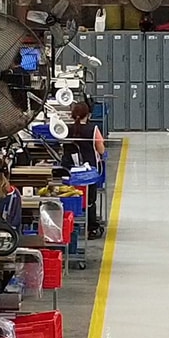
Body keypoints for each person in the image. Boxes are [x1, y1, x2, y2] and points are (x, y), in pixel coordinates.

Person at [68, 102, 106, 238]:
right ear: (88, 115)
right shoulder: (93, 129)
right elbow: (101, 149)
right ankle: (91, 228)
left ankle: (73, 224)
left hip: (71, 170)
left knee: (72, 196)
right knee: (89, 200)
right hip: (89, 171)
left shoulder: (67, 129)